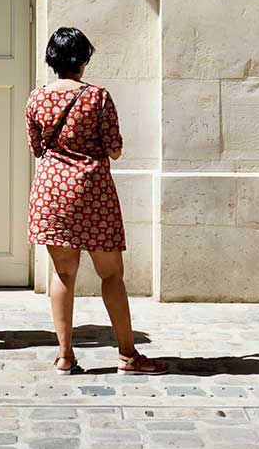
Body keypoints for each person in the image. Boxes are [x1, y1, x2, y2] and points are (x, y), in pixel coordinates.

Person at [25, 28, 168, 376]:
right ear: (83, 60)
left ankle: (64, 355)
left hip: (51, 193)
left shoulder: (36, 98)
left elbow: (37, 147)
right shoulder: (98, 98)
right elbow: (114, 149)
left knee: (63, 273)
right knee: (111, 275)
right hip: (92, 192)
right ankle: (127, 355)